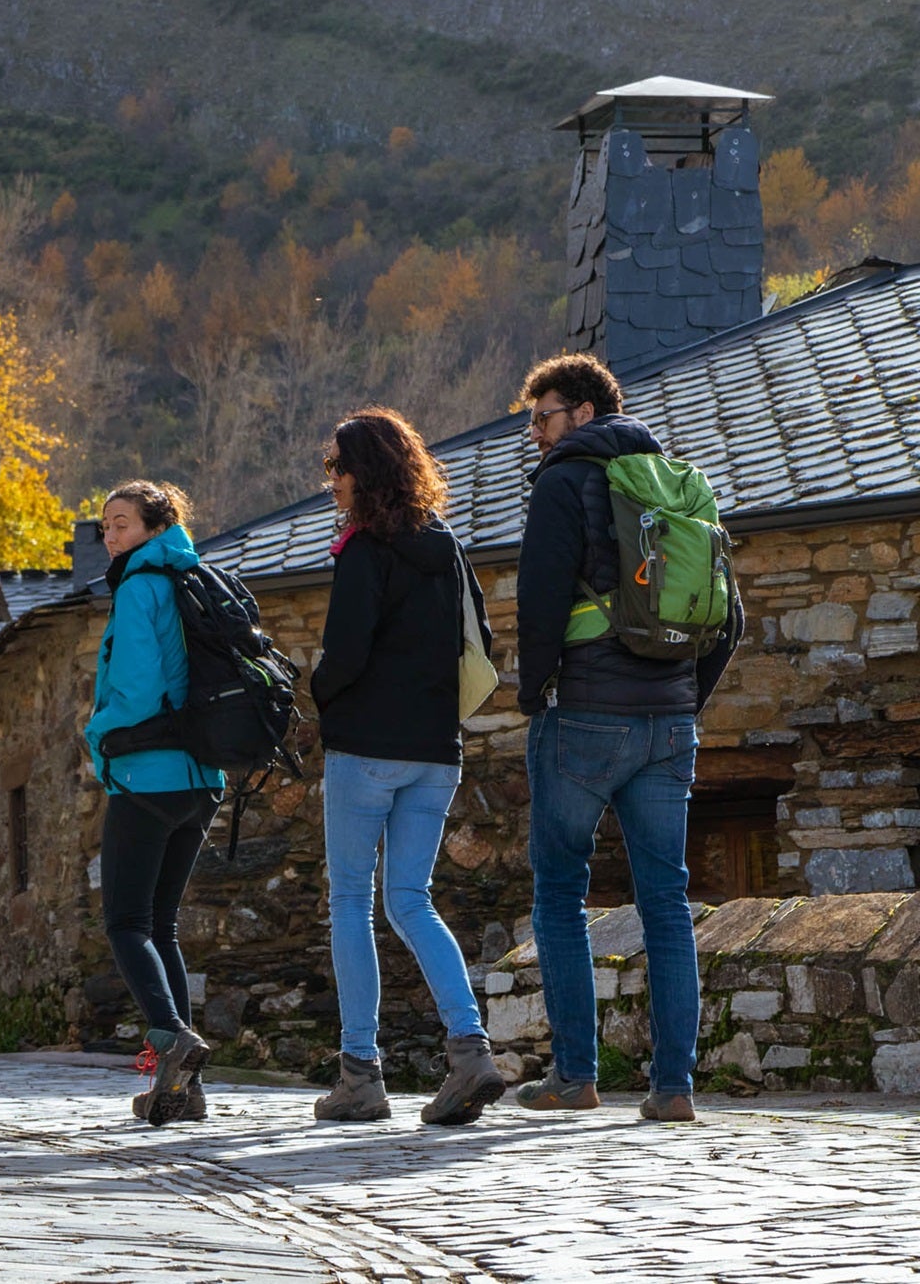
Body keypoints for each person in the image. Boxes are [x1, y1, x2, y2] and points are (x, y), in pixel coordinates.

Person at [513, 353, 744, 1123]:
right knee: (667, 900)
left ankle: (575, 1076)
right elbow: (728, 619)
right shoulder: (680, 484)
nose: (536, 435)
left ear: (581, 411)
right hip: (669, 723)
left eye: (541, 417)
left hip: (583, 716)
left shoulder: (563, 481)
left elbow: (541, 602)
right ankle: (673, 1086)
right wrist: (683, 701)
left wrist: (532, 691)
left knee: (558, 892)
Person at [309, 408, 505, 1126]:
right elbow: (478, 640)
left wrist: (316, 688)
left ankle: (360, 1073)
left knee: (352, 904)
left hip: (366, 750)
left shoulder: (363, 550)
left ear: (365, 472)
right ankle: (470, 1049)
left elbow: (346, 656)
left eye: (338, 467)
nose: (330, 481)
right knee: (412, 900)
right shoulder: (446, 546)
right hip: (435, 750)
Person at [83, 480, 226, 1126]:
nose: (110, 536)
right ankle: (185, 1089)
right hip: (201, 779)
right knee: (160, 925)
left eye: (121, 524)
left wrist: (97, 732)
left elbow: (137, 690)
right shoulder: (191, 578)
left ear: (152, 526)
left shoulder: (141, 586)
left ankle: (171, 1037)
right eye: (106, 526)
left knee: (125, 922)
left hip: (148, 774)